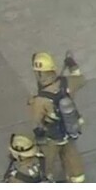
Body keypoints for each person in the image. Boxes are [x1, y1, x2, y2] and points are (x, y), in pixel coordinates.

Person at [28, 51, 87, 182]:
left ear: (39, 73)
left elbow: (36, 121)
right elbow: (81, 79)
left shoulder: (40, 100)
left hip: (51, 137)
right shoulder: (68, 83)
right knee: (73, 159)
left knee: (46, 163)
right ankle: (76, 178)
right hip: (69, 130)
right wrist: (72, 64)